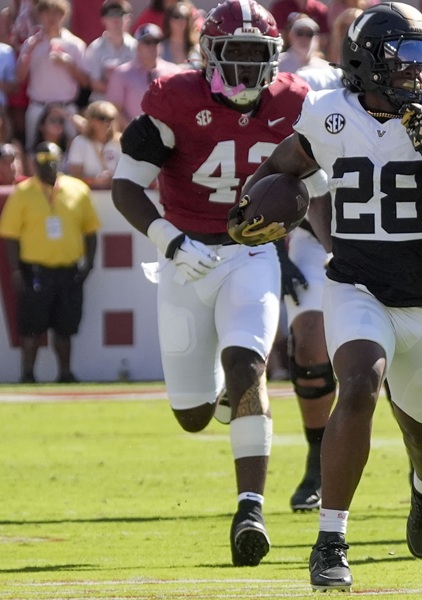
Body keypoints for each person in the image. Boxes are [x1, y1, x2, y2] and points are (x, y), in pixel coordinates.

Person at [230, 3, 422, 591]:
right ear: (364, 63)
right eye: (402, 57)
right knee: (358, 386)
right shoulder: (329, 113)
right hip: (356, 282)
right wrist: (249, 207)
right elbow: (280, 168)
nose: (416, 69)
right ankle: (330, 541)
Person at [111, 0, 310, 567]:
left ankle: (250, 511)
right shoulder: (175, 98)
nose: (245, 67)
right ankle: (219, 397)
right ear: (209, 55)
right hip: (185, 256)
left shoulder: (294, 102)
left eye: (256, 54)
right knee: (193, 414)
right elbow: (126, 186)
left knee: (248, 366)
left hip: (251, 253)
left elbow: (316, 186)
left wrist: (315, 241)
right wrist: (170, 241)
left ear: (274, 57)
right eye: (234, 53)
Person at [0, 142, 98, 384]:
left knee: (65, 326)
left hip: (68, 269)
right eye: (44, 163)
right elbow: (10, 235)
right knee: (31, 327)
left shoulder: (78, 189)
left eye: (53, 162)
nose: (49, 168)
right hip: (35, 269)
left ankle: (65, 373)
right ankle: (28, 374)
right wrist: (16, 271)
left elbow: (90, 231)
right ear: (35, 164)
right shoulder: (23, 193)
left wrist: (89, 264)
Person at [15, 0, 88, 152]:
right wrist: (29, 52)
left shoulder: (75, 44)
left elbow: (85, 81)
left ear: (64, 16)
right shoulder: (31, 43)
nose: (52, 17)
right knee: (33, 151)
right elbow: (19, 77)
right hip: (38, 107)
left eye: (57, 13)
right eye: (47, 12)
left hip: (66, 108)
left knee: (72, 152)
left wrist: (69, 65)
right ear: (40, 15)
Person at [105, 24, 183, 124]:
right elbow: (115, 109)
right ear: (137, 46)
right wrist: (134, 130)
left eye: (155, 42)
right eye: (147, 42)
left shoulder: (174, 72)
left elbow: (180, 106)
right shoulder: (122, 74)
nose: (152, 47)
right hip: (133, 131)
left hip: (166, 131)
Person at [85, 1, 137, 105]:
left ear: (128, 18)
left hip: (129, 105)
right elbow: (95, 83)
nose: (116, 19)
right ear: (103, 20)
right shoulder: (95, 48)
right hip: (103, 104)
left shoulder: (136, 47)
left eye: (120, 14)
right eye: (111, 14)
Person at [65, 100, 121, 190]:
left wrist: (113, 181)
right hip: (88, 194)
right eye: (102, 118)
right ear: (91, 120)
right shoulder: (80, 142)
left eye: (111, 119)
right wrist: (94, 181)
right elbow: (75, 177)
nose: (107, 123)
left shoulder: (120, 143)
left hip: (113, 194)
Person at [160, 0, 202, 70]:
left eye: (185, 17)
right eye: (176, 16)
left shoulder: (197, 48)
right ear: (168, 20)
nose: (180, 20)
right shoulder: (160, 47)